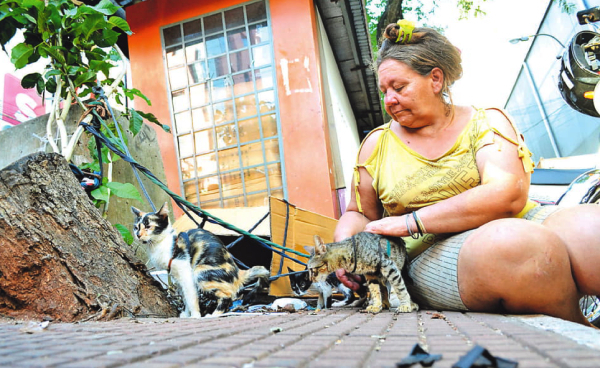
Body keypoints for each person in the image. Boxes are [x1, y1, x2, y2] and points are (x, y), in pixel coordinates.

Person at [333, 20, 600, 326]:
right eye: (384, 91)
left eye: (399, 87)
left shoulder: (486, 120)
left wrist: (409, 221)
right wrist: (343, 247)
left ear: (435, 79)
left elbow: (507, 193)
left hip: (518, 219)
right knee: (517, 246)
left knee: (593, 227)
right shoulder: (375, 145)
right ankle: (582, 337)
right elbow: (360, 213)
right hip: (430, 251)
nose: (389, 99)